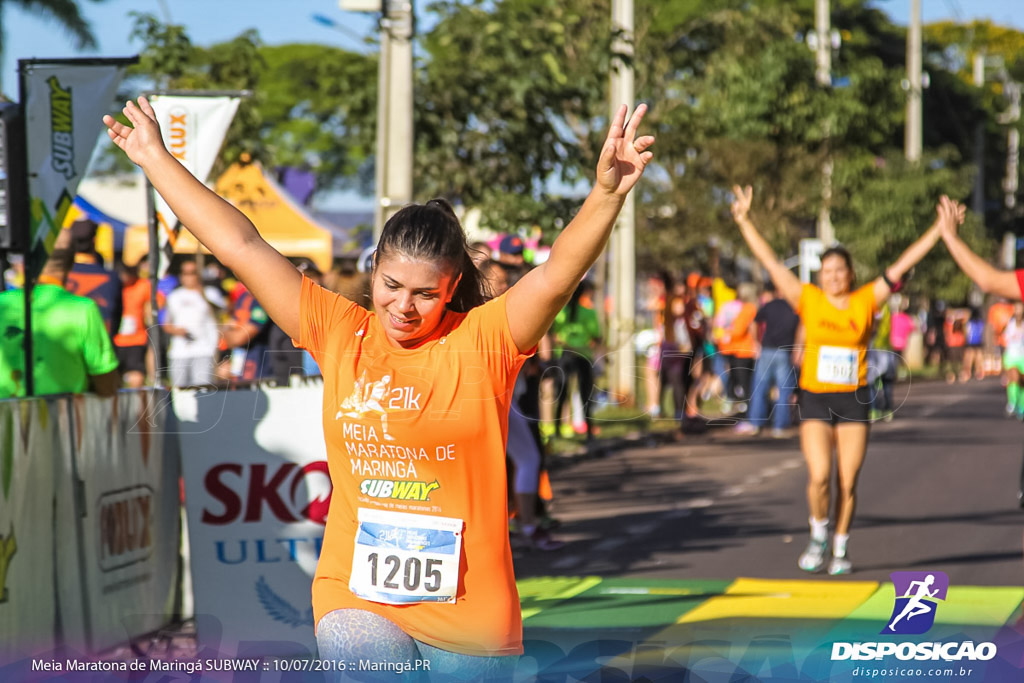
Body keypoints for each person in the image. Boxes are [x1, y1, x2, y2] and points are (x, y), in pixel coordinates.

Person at [105, 97, 653, 675]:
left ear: (452, 288)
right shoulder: (339, 330)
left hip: (469, 608)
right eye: (392, 285)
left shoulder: (486, 340)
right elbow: (241, 246)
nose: (404, 307)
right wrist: (154, 159)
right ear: (373, 272)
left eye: (425, 293)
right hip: (356, 595)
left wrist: (608, 194)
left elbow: (557, 274)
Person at [730, 184, 946, 576]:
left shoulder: (866, 300)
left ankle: (841, 545)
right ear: (819, 275)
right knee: (820, 476)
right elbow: (772, 263)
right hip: (814, 398)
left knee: (848, 480)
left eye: (839, 270)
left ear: (850, 274)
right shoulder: (808, 298)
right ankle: (817, 534)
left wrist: (938, 229)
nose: (832, 277)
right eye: (826, 271)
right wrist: (745, 220)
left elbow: (900, 265)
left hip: (854, 400)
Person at [0, 228, 120, 398]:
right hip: (62, 421)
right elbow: (106, 384)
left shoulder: (2, 303)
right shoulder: (83, 309)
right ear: (72, 262)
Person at [735, 282, 799, 437]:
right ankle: (780, 426)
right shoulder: (796, 307)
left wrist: (756, 341)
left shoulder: (771, 305)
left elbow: (754, 322)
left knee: (760, 387)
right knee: (783, 390)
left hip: (767, 350)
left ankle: (756, 422)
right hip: (784, 352)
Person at [550, 280, 602, 440]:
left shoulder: (562, 312)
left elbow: (553, 333)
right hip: (583, 356)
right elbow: (597, 337)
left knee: (562, 394)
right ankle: (589, 431)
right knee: (585, 394)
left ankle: (557, 429)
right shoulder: (589, 312)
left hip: (564, 355)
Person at [163, 259, 220, 387]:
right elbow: (166, 323)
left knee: (203, 391)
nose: (189, 276)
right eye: (185, 273)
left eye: (193, 272)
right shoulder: (174, 296)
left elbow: (221, 314)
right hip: (179, 352)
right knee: (180, 392)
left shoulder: (210, 293)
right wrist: (176, 331)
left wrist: (203, 295)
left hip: (204, 350)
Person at [65, 218, 123, 337]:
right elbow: (116, 323)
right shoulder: (112, 278)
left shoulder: (61, 275)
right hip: (100, 345)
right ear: (94, 240)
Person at [114, 261, 156, 388]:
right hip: (115, 339)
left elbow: (156, 302)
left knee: (136, 378)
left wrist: (148, 313)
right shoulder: (113, 285)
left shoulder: (142, 285)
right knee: (114, 380)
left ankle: (137, 407)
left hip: (136, 339)